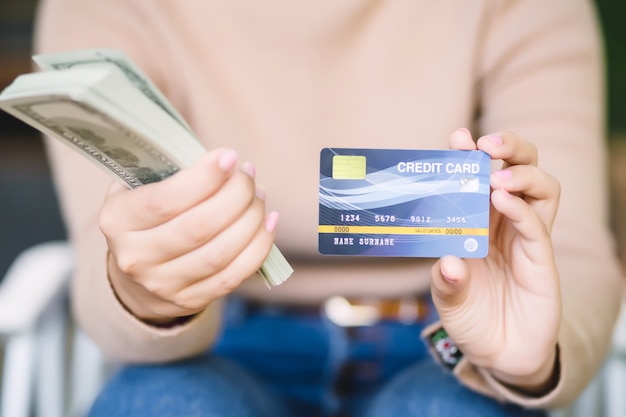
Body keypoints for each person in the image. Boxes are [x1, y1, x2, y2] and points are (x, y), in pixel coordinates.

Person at [32, 0, 623, 416]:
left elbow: (567, 244)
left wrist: (530, 356)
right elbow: (98, 249)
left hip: (449, 337)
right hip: (219, 333)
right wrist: (144, 295)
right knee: (158, 407)